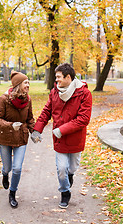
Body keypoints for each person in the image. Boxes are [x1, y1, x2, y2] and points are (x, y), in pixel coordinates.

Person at [31, 63, 92, 209]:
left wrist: (62, 129)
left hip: (76, 138)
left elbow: (83, 119)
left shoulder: (84, 93)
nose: (56, 80)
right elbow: (47, 111)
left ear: (68, 77)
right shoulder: (54, 92)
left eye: (59, 77)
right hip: (59, 139)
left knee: (72, 167)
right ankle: (65, 192)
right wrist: (37, 130)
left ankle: (70, 176)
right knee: (62, 169)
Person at [0, 71, 35, 208]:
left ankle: (12, 193)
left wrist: (34, 132)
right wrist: (11, 125)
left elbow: (29, 119)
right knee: (8, 167)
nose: (28, 85)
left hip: (21, 138)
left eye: (28, 82)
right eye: (25, 83)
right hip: (6, 137)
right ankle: (5, 174)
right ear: (18, 85)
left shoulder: (28, 100)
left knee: (17, 168)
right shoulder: (3, 99)